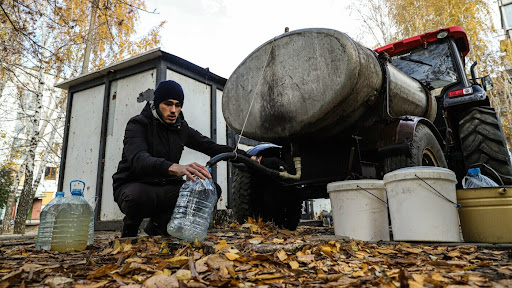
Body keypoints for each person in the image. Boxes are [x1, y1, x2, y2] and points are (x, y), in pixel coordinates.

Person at [112, 80, 283, 237]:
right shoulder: (138, 124)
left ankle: (159, 225)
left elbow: (212, 147)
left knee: (211, 189)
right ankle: (130, 227)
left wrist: (253, 159)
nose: (173, 110)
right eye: (168, 104)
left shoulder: (181, 128)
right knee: (138, 198)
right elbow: (139, 159)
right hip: (133, 185)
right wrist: (176, 167)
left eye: (178, 105)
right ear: (157, 104)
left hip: (164, 186)